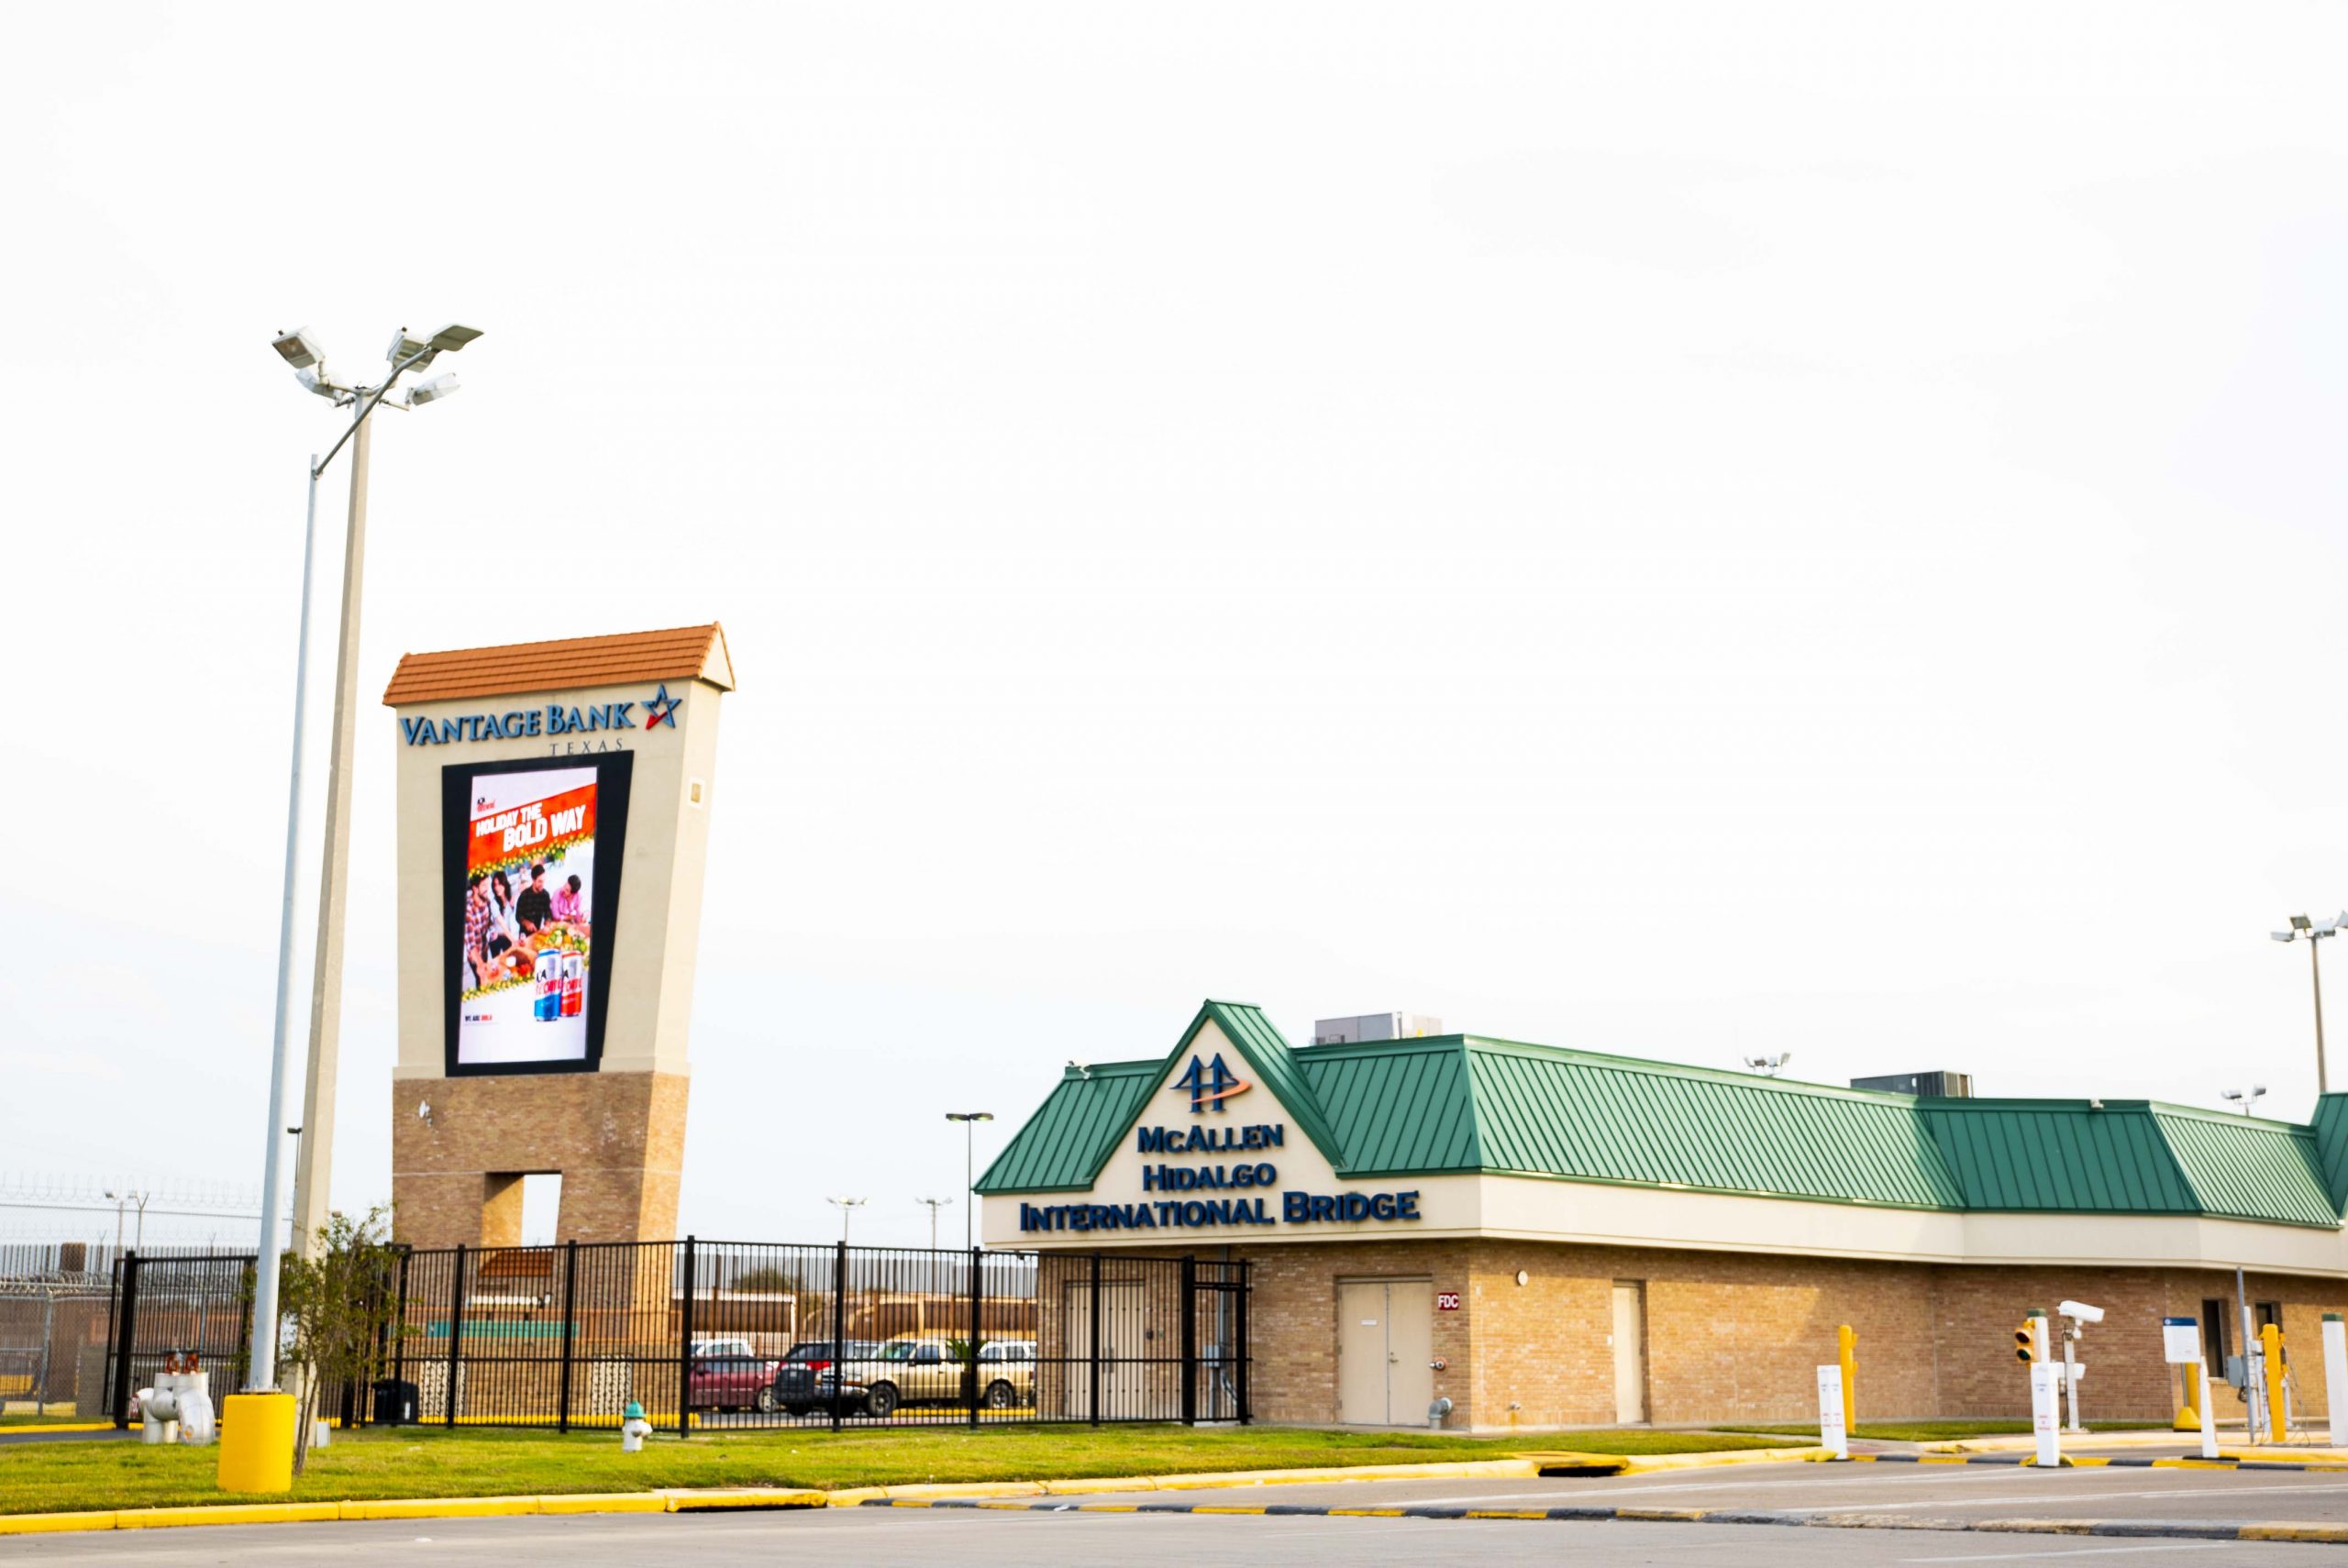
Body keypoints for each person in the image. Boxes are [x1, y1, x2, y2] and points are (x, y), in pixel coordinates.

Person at [462, 873, 492, 988]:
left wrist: (492, 930)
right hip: (475, 957)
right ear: (475, 888)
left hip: (484, 949)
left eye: (487, 885)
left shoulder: (486, 901)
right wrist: (480, 964)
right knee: (481, 980)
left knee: (486, 979)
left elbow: (489, 923)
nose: (487, 889)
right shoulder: (468, 910)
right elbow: (470, 944)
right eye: (484, 886)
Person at [516, 862, 555, 936]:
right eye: (540, 881)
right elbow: (518, 916)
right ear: (533, 880)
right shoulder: (524, 895)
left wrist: (547, 923)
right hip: (524, 934)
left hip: (537, 932)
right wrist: (526, 923)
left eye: (544, 881)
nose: (542, 884)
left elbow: (548, 913)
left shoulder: (545, 895)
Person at [487, 871, 518, 957]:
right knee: (497, 961)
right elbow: (503, 924)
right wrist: (514, 940)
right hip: (497, 937)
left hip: (508, 936)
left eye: (499, 884)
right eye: (494, 885)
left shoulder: (510, 897)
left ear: (504, 884)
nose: (496, 888)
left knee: (510, 959)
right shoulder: (494, 903)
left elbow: (524, 883)